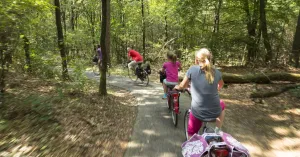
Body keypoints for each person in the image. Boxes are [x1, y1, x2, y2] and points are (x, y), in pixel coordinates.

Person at [174, 48, 225, 139]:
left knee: (191, 133)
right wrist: (214, 90)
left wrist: (178, 87)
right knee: (222, 104)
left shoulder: (192, 69)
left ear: (196, 60)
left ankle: (191, 146)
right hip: (215, 112)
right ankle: (218, 129)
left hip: (198, 113)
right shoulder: (217, 72)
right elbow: (221, 85)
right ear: (210, 59)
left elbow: (182, 86)